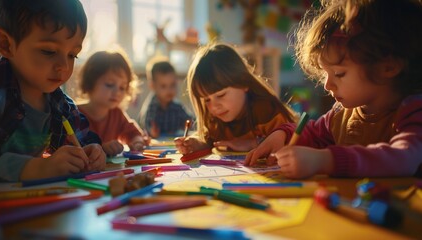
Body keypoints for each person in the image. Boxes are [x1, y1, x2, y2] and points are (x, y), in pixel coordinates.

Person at [245, 0, 422, 179]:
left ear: (388, 67)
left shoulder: (414, 111)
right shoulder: (342, 113)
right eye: (325, 73)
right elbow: (313, 133)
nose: (327, 85)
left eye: (339, 73)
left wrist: (326, 160)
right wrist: (282, 134)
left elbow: (404, 159)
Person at [0, 0, 106, 182]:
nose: (64, 66)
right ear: (6, 44)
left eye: (72, 55)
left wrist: (92, 152)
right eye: (48, 51)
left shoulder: (60, 103)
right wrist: (37, 168)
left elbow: (81, 139)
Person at [174, 42, 296, 155]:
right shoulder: (216, 118)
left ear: (243, 83)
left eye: (221, 95)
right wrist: (196, 143)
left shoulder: (265, 109)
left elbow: (293, 141)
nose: (214, 106)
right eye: (207, 100)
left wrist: (253, 144)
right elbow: (209, 140)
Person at [78, 50, 148, 156]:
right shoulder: (73, 114)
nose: (117, 92)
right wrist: (101, 149)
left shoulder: (116, 114)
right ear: (90, 82)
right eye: (110, 84)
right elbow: (72, 149)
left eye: (122, 87)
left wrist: (137, 142)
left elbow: (134, 134)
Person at [138, 58, 193, 138]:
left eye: (172, 85)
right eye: (163, 86)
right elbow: (146, 126)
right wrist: (151, 131)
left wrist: (189, 124)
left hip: (171, 143)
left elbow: (190, 121)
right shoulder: (151, 106)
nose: (169, 90)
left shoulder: (176, 106)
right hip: (155, 144)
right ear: (152, 86)